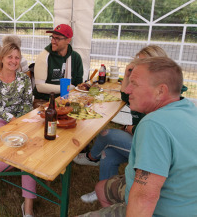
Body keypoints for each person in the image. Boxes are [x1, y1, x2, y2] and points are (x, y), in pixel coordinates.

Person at [79, 57, 197, 216]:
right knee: (101, 187)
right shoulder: (188, 108)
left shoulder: (154, 125)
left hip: (161, 210)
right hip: (185, 199)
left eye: (134, 84)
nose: (127, 90)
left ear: (160, 91)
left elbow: (145, 198)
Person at [73, 45, 170, 203]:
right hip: (140, 140)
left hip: (150, 151)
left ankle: (91, 157)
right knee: (108, 154)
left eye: (142, 64)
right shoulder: (142, 88)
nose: (137, 67)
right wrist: (127, 73)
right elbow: (125, 96)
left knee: (107, 134)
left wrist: (129, 128)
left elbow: (156, 129)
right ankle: (106, 192)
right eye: (136, 64)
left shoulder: (160, 93)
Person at [0, 43, 35, 217]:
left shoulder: (24, 79)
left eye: (17, 57)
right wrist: (13, 120)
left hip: (20, 120)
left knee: (26, 155)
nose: (14, 61)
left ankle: (28, 208)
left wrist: (22, 122)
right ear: (2, 58)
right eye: (10, 57)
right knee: (8, 155)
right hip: (0, 121)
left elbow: (28, 103)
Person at [33, 24, 84, 108]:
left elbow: (78, 84)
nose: (53, 41)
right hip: (44, 101)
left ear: (68, 40)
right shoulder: (43, 56)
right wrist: (67, 88)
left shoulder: (76, 57)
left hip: (67, 100)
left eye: (57, 39)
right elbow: (40, 87)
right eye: (52, 37)